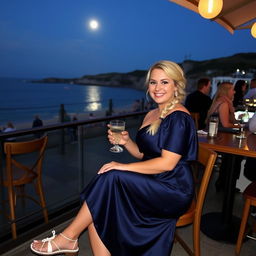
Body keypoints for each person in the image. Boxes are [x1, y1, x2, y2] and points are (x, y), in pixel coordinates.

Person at [30, 60, 198, 256]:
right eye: (153, 82)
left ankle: (67, 237)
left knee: (111, 177)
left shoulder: (179, 117)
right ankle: (69, 239)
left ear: (176, 85)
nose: (157, 88)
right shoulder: (152, 113)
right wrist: (126, 142)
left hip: (173, 188)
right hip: (153, 180)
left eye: (164, 82)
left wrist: (123, 167)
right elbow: (143, 155)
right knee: (100, 205)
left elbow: (167, 163)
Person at [207, 82, 242, 191]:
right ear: (227, 91)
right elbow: (226, 124)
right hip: (217, 138)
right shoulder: (224, 104)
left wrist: (236, 123)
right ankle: (227, 184)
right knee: (236, 155)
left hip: (216, 136)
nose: (235, 91)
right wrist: (239, 126)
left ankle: (223, 182)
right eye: (232, 89)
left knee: (233, 154)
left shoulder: (221, 101)